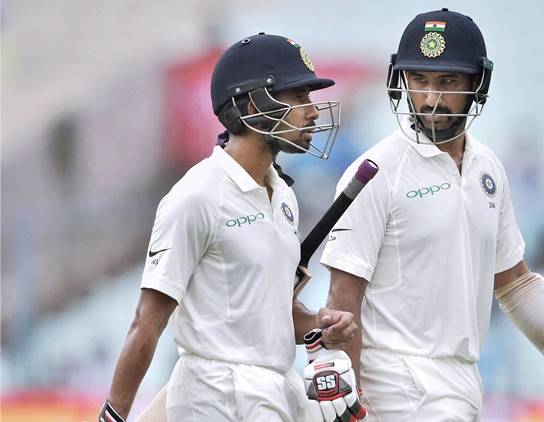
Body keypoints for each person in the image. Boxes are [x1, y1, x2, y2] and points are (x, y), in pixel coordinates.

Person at [320, 8, 544, 421]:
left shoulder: (487, 168)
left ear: (477, 85)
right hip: (394, 390)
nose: (431, 98)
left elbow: (516, 286)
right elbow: (342, 302)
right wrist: (354, 403)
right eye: (419, 80)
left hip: (460, 385)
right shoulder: (375, 172)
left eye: (447, 81)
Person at [99, 33, 357, 422]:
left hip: (271, 389)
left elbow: (273, 313)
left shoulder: (284, 197)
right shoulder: (196, 196)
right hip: (215, 397)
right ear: (253, 104)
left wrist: (318, 324)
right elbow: (147, 322)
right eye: (298, 97)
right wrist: (113, 415)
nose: (313, 111)